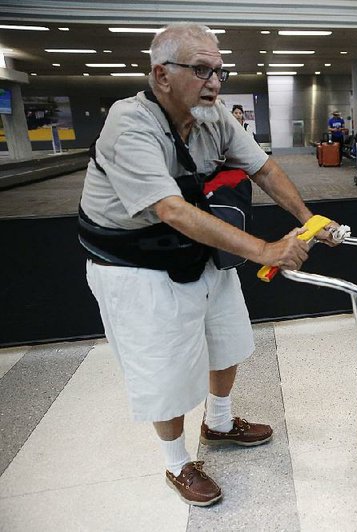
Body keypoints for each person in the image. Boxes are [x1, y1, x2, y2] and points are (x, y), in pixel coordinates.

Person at [78, 23, 340, 507]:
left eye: (218, 70)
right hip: (134, 265)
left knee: (228, 340)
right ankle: (177, 462)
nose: (214, 81)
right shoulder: (129, 123)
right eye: (201, 70)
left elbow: (262, 167)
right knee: (167, 371)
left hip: (193, 250)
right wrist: (263, 250)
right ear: (161, 74)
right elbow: (170, 209)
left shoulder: (212, 114)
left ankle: (219, 423)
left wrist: (310, 220)